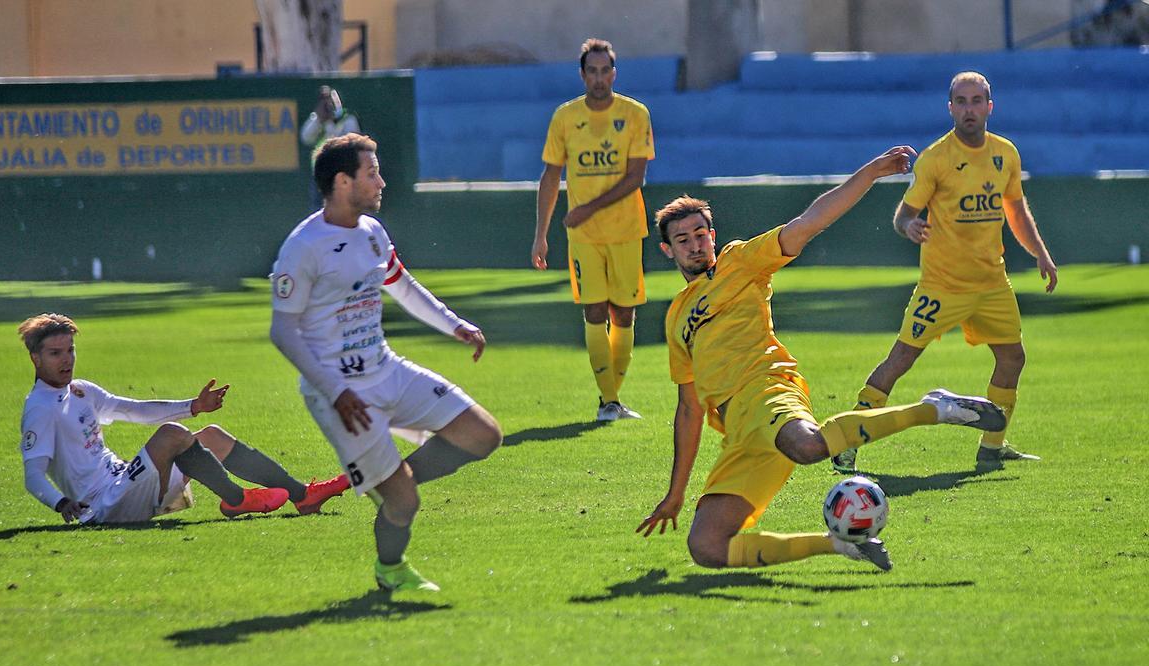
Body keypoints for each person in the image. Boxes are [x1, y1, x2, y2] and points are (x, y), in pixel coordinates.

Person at [637, 147, 1008, 572]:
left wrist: (871, 172)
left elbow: (808, 223)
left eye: (701, 234)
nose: (695, 245)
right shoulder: (676, 318)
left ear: (713, 236)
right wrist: (676, 493)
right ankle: (841, 546)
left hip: (767, 388)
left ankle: (935, 408)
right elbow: (688, 410)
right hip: (740, 431)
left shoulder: (740, 262)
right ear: (667, 251)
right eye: (682, 240)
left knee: (810, 446)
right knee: (706, 547)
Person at [270, 133, 503, 593]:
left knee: (483, 434)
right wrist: (335, 392)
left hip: (386, 369)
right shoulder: (304, 247)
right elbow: (283, 331)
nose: (382, 181)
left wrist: (453, 324)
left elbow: (402, 284)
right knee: (405, 505)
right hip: (339, 394)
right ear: (342, 181)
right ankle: (390, 567)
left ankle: (395, 481)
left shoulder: (373, 232)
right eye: (371, 172)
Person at [830, 72, 1058, 475]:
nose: (968, 108)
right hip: (942, 285)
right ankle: (847, 442)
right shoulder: (936, 158)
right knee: (900, 359)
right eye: (961, 101)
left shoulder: (1006, 153)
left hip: (991, 282)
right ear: (949, 107)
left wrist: (1040, 253)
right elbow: (904, 214)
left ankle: (992, 447)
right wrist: (909, 227)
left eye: (976, 100)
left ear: (990, 106)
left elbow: (1016, 210)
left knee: (1012, 358)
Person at [17, 313, 348, 525]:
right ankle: (236, 500)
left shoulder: (81, 390)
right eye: (55, 353)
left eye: (70, 350)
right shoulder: (40, 408)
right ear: (35, 358)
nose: (67, 359)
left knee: (211, 436)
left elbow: (133, 409)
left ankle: (302, 495)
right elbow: (33, 475)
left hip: (125, 484)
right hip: (104, 506)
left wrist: (194, 406)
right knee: (172, 434)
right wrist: (61, 503)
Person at [531, 38, 655, 422]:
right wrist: (541, 234)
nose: (599, 78)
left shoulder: (635, 114)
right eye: (592, 71)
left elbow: (636, 176)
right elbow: (550, 176)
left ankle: (613, 397)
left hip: (626, 229)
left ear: (613, 74)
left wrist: (587, 208)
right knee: (594, 310)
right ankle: (608, 401)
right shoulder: (565, 118)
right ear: (583, 75)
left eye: (605, 71)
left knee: (624, 314)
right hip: (583, 236)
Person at [301, 86, 361, 209]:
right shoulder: (317, 120)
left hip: (344, 174)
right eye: (326, 102)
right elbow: (306, 137)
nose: (330, 105)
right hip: (322, 174)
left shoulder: (348, 119)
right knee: (319, 210)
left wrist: (332, 122)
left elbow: (352, 141)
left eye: (333, 101)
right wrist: (319, 120)